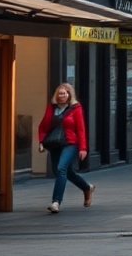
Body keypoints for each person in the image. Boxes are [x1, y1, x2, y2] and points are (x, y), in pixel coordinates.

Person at [37, 83, 95, 214]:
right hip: (54, 144)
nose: (61, 96)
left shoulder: (76, 108)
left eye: (64, 93)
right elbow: (43, 126)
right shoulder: (51, 108)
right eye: (59, 93)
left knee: (61, 168)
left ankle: (56, 202)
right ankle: (87, 187)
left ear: (69, 95)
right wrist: (41, 141)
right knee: (66, 173)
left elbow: (81, 129)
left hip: (70, 143)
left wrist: (83, 148)